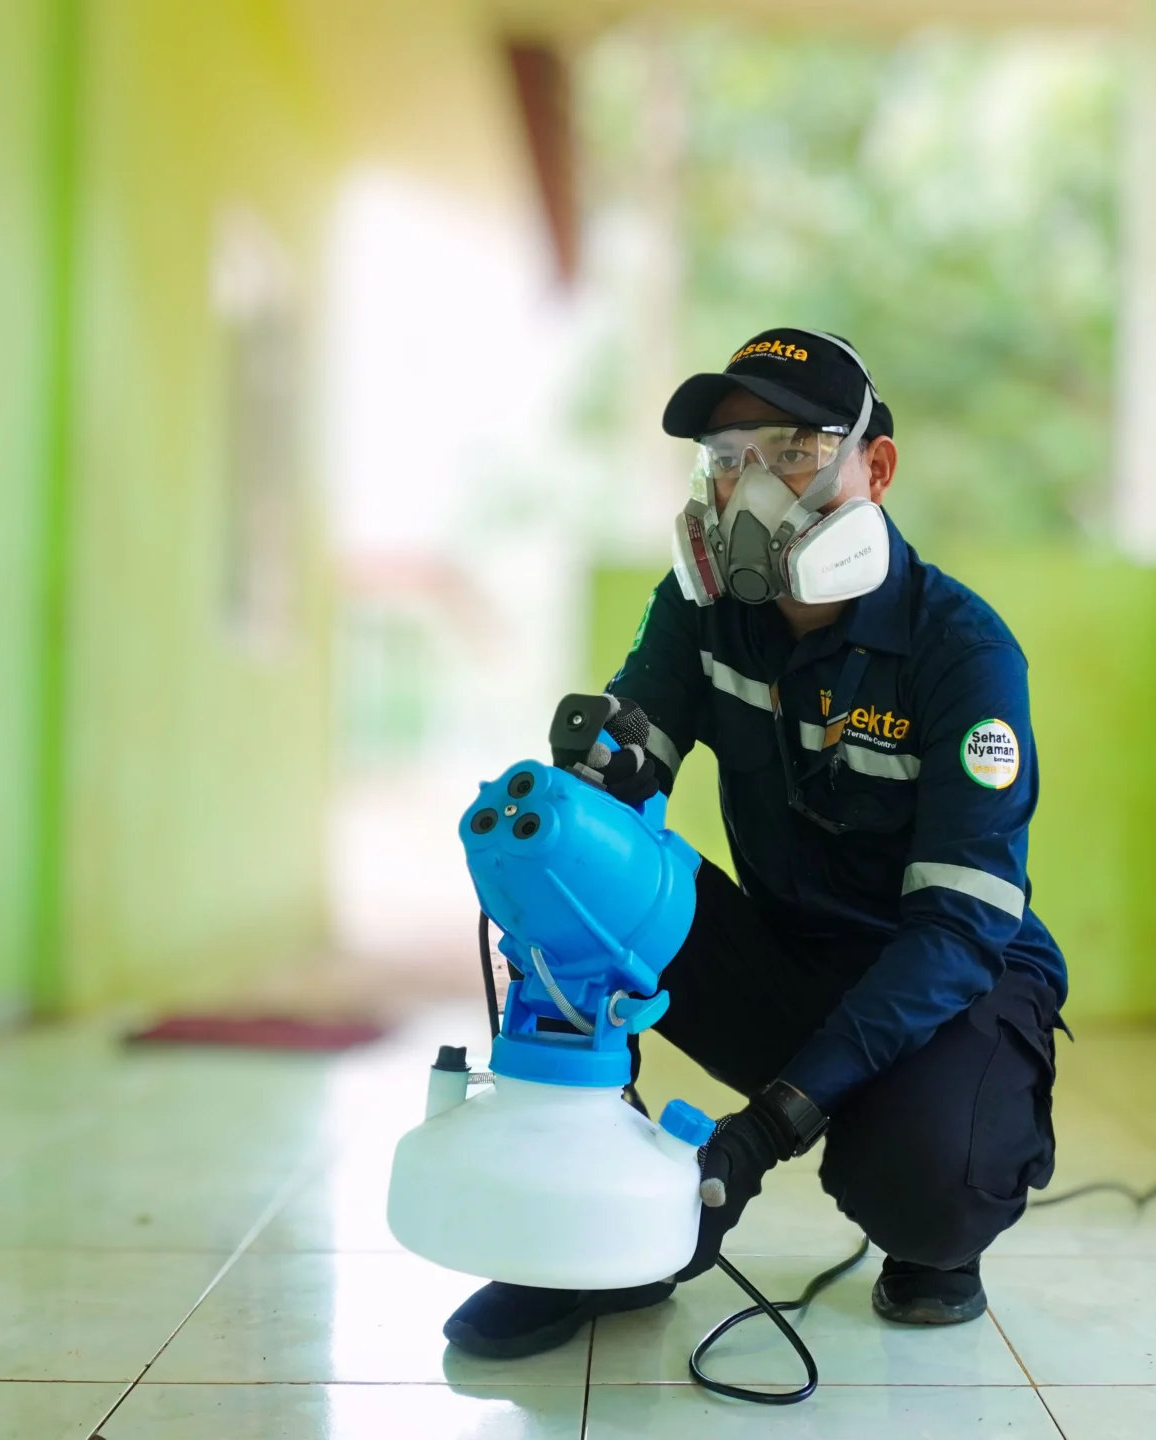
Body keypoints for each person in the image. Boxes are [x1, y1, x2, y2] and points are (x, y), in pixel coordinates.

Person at [444, 327, 1067, 1359]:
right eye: (728, 460)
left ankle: (933, 1230)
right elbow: (624, 776)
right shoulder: (700, 619)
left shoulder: (962, 653)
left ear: (875, 466)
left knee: (922, 1190)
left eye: (792, 450)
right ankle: (594, 1239)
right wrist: (580, 808)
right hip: (783, 955)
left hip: (944, 979)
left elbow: (956, 929)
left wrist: (765, 1128)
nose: (751, 489)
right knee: (570, 853)